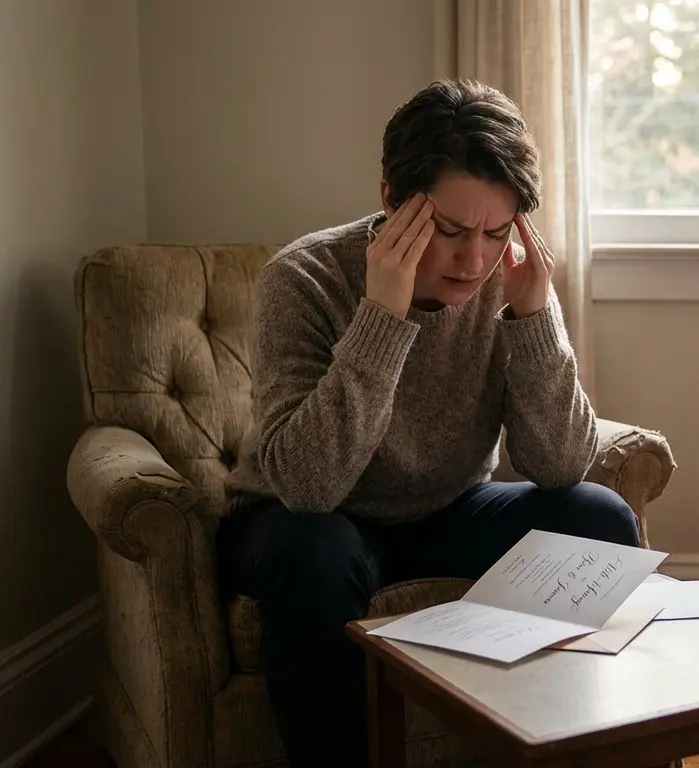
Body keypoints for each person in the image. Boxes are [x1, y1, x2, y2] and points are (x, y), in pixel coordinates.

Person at [218, 78, 641, 768]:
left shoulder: (507, 277)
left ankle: (562, 751)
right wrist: (383, 317)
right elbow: (307, 485)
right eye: (449, 231)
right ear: (392, 198)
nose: (473, 259)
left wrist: (534, 317)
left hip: (445, 510)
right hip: (300, 519)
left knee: (600, 518)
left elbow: (561, 464)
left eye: (496, 232)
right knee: (315, 552)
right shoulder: (302, 279)